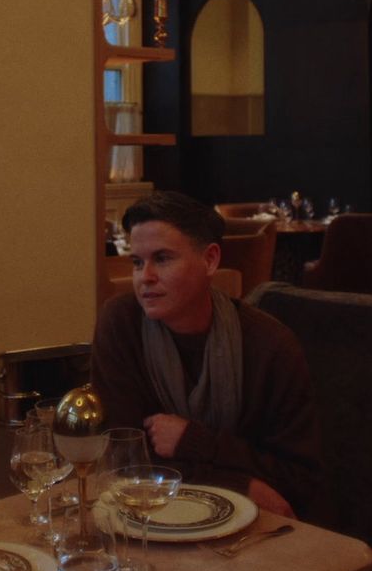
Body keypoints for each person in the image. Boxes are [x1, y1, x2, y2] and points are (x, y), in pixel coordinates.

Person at [90, 191, 322, 519]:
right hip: (151, 519)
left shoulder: (270, 345)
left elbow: (299, 479)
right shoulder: (121, 324)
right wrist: (239, 483)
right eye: (138, 262)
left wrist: (193, 440)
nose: (146, 277)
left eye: (163, 259)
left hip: (250, 527)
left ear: (210, 260)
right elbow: (125, 463)